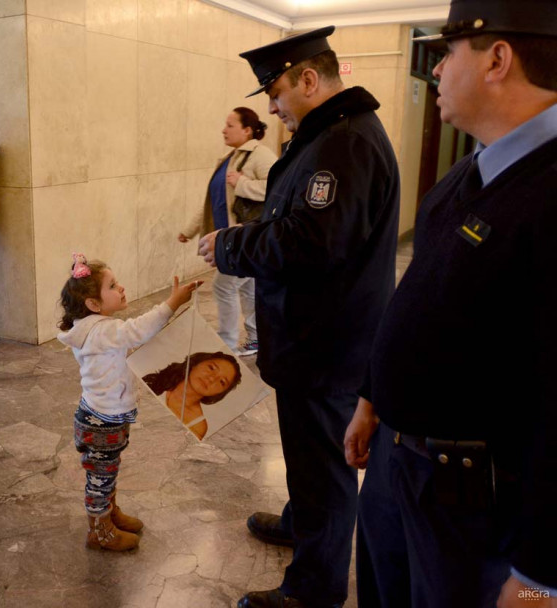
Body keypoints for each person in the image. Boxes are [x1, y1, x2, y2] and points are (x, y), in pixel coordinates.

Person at [343, 1, 557, 606]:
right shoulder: (469, 172)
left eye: (448, 54)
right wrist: (371, 397)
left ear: (497, 59)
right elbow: (418, 299)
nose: (436, 72)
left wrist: (542, 577)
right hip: (397, 462)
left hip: (474, 500)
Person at [198, 26, 400, 608]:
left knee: (326, 467)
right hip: (314, 335)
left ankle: (314, 589)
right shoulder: (330, 134)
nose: (271, 105)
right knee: (307, 454)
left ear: (310, 79)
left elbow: (313, 242)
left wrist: (233, 245)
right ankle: (301, 520)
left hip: (327, 341)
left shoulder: (345, 143)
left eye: (276, 91)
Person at [57, 253, 201, 551]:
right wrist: (171, 303)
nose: (120, 288)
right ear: (93, 304)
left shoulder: (95, 329)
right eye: (113, 285)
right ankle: (99, 531)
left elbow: (132, 340)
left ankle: (109, 513)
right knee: (100, 477)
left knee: (107, 470)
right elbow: (137, 329)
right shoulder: (102, 330)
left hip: (102, 417)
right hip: (102, 421)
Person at [179, 108, 277, 357]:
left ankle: (227, 346)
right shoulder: (229, 158)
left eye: (230, 125)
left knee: (224, 286)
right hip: (229, 237)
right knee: (246, 288)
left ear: (247, 130)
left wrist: (242, 183)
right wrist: (189, 230)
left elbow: (278, 190)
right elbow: (213, 202)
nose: (224, 129)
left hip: (246, 237)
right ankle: (256, 338)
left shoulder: (260, 155)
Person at [142, 351, 242, 440]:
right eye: (211, 368)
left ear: (221, 393)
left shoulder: (198, 425)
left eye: (222, 382)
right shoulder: (154, 379)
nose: (212, 378)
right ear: (196, 363)